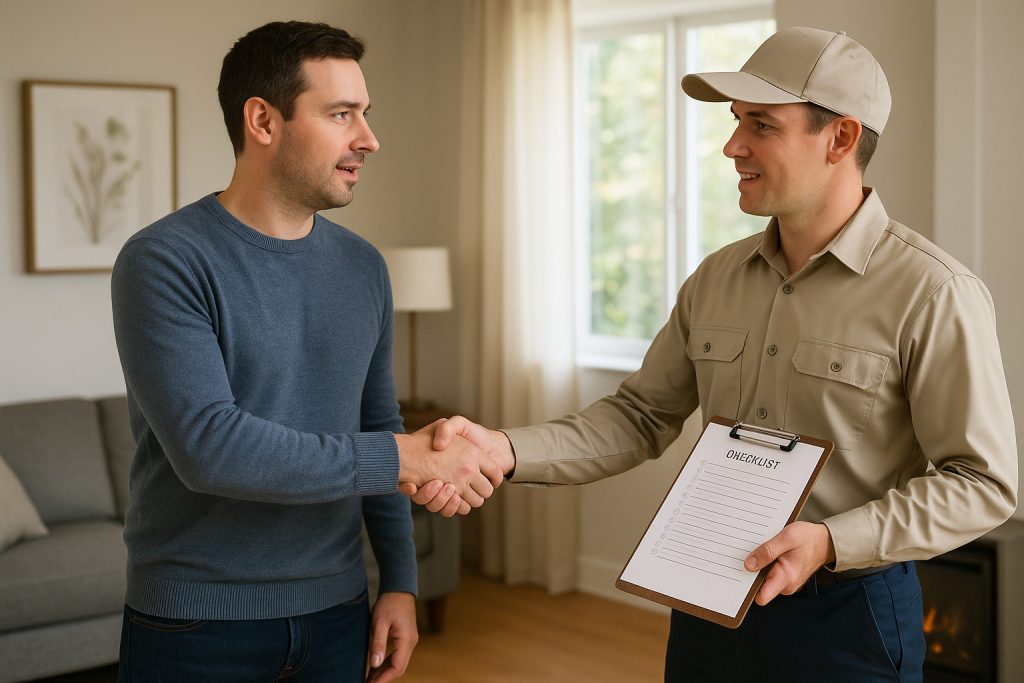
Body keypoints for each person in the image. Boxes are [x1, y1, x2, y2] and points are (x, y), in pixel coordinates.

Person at [409, 26, 1018, 682]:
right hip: (705, 600)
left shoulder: (934, 292)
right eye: (735, 123)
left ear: (841, 137)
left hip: (848, 619)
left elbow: (983, 484)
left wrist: (831, 540)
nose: (732, 146)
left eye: (761, 125)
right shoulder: (715, 278)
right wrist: (503, 448)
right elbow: (638, 417)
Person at [110, 20, 503, 683]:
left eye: (365, 114)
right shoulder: (163, 261)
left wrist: (400, 582)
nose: (369, 139)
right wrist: (405, 454)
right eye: (341, 114)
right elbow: (211, 447)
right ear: (263, 120)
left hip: (337, 614)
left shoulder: (363, 268)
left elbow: (376, 424)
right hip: (196, 626)